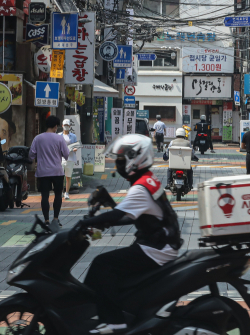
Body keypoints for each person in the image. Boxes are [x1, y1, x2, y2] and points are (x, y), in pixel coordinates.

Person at [74, 134, 182, 334]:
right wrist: (109, 206)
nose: (118, 165)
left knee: (102, 264)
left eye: (121, 160)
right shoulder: (146, 179)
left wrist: (84, 222)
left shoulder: (140, 187)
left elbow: (119, 216)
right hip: (160, 242)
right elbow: (131, 215)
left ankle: (115, 322)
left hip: (157, 248)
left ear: (135, 159)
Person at [29, 115, 69, 228]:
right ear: (56, 126)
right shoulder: (60, 139)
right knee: (57, 195)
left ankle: (46, 220)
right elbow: (66, 155)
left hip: (43, 172)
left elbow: (31, 155)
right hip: (57, 171)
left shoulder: (38, 138)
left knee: (44, 196)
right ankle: (55, 219)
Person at [59, 119, 79, 200]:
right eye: (65, 125)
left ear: (70, 126)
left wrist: (74, 149)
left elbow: (76, 146)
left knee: (68, 176)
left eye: (67, 125)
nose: (66, 127)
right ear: (62, 126)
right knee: (59, 177)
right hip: (60, 159)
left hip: (70, 158)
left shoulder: (73, 136)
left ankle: (66, 193)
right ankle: (59, 192)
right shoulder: (58, 135)